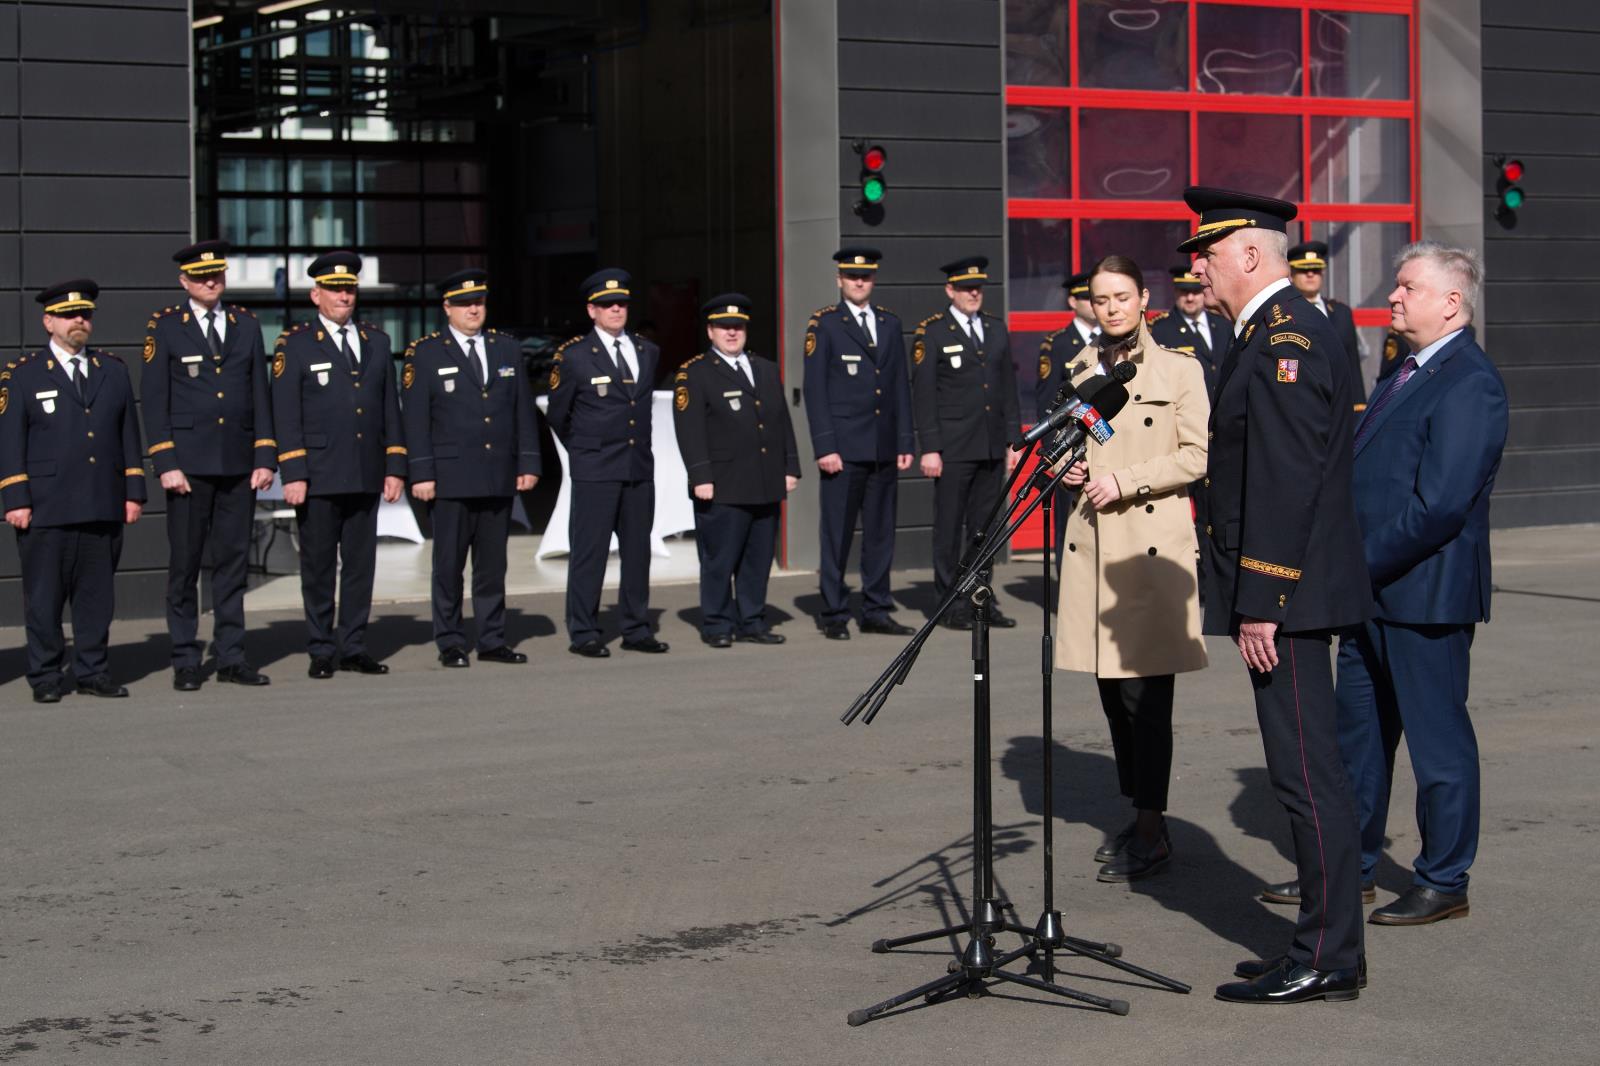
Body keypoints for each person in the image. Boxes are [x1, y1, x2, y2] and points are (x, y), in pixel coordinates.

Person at [1258, 243, 1508, 926]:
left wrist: (1352, 561)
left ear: (1451, 302)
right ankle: (1352, 868)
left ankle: (1444, 878)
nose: (1393, 298)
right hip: (1373, 593)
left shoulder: (1469, 381)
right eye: (1396, 287)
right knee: (1356, 744)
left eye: (1407, 287)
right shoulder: (1406, 369)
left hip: (1424, 595)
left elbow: (1440, 506)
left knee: (1438, 743)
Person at [1185, 187, 1372, 1005]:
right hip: (1283, 592)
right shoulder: (1262, 333)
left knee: (1305, 775)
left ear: (1250, 255)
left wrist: (1262, 597)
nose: (1199, 266)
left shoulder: (1286, 337)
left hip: (1287, 600)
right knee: (1302, 771)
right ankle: (1320, 943)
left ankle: (1328, 956)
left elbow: (1287, 481)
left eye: (1209, 252)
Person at [1054, 255, 1210, 882]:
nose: (1112, 307)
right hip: (1095, 545)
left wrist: (1124, 479)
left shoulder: (1181, 368)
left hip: (1150, 547)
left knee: (1148, 700)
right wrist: (1067, 473)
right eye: (1101, 298)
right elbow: (1076, 445)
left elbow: (1197, 454)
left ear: (1146, 298)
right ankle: (1140, 812)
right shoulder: (1080, 371)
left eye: (1122, 296)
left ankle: (1151, 825)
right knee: (1113, 695)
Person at [1, 280, 146, 702]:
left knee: (96, 598)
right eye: (69, 315)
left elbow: (128, 437)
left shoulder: (113, 371)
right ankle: (45, 677)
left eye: (85, 314)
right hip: (46, 507)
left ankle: (93, 671)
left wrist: (133, 491)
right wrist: (16, 499)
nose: (79, 321)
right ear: (48, 322)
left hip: (101, 502)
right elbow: (10, 444)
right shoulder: (23, 375)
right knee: (44, 599)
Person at [141, 240, 276, 691]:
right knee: (186, 564)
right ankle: (185, 657)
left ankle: (232, 655)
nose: (210, 282)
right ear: (184, 282)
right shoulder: (166, 327)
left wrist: (264, 456)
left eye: (216, 275)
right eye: (201, 277)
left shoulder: (245, 324)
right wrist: (165, 461)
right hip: (189, 468)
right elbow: (155, 400)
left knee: (233, 564)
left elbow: (260, 392)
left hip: (239, 465)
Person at [270, 251, 407, 679]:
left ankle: (353, 646)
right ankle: (321, 648)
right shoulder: (294, 344)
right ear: (316, 295)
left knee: (361, 565)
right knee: (318, 566)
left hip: (365, 471)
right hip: (320, 475)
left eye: (349, 289)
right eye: (334, 290)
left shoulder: (377, 341)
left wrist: (395, 466)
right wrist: (292, 473)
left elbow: (390, 409)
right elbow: (286, 414)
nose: (343, 296)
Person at [401, 268, 542, 668]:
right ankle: (450, 641)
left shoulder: (506, 348)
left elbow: (521, 411)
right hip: (448, 477)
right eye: (464, 303)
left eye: (478, 301)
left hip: (496, 474)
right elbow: (415, 418)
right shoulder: (425, 353)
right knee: (448, 565)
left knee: (492, 565)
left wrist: (528, 461)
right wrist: (421, 472)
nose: (473, 309)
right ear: (447, 308)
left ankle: (493, 638)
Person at [546, 268, 668, 658]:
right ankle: (583, 630)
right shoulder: (575, 356)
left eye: (621, 303)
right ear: (591, 310)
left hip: (636, 468)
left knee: (637, 553)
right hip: (596, 469)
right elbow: (558, 415)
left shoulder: (647, 351)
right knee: (590, 552)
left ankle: (636, 627)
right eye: (606, 304)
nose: (615, 309)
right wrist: (585, 451)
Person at [672, 294, 801, 647]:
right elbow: (690, 430)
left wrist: (790, 466)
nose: (732, 333)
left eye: (738, 327)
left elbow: (780, 421)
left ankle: (752, 620)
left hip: (764, 480)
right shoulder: (695, 373)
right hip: (723, 483)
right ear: (710, 331)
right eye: (724, 327)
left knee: (758, 559)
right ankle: (716, 623)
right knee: (720, 559)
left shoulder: (764, 368)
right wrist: (700, 476)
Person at [801, 247, 916, 640]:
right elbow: (815, 393)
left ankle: (876, 609)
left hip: (883, 447)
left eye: (865, 276)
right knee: (837, 534)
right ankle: (833, 611)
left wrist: (904, 440)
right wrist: (824, 447)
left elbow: (900, 386)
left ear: (873, 279)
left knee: (881, 533)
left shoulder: (889, 323)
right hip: (844, 451)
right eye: (852, 276)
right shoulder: (826, 325)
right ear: (840, 280)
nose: (859, 282)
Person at [911, 256, 1021, 628]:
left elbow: (1007, 389)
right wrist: (930, 447)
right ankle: (947, 602)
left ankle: (979, 600)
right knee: (949, 527)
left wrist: (1012, 440)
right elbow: (924, 395)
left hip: (990, 446)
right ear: (950, 291)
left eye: (977, 288)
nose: (973, 293)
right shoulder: (934, 332)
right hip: (953, 449)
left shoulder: (995, 329)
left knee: (984, 529)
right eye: (965, 288)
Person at [1035, 271, 1098, 570]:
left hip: (1105, 443)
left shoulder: (1111, 341)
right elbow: (1048, 406)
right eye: (1086, 297)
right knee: (1069, 526)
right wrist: (1054, 455)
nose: (1093, 303)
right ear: (1073, 301)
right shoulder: (1058, 344)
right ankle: (1068, 594)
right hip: (1071, 450)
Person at [1288, 241, 1365, 406]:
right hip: (1300, 404)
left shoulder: (1342, 313)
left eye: (1315, 270)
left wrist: (1358, 406)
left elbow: (1352, 364)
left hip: (1339, 404)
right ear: (1292, 274)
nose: (1310, 274)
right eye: (1303, 270)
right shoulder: (1283, 314)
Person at [1148, 265, 1229, 397]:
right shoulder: (1160, 330)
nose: (1190, 298)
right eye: (1184, 291)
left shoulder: (1223, 324)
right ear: (1175, 292)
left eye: (1195, 291)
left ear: (1204, 291)